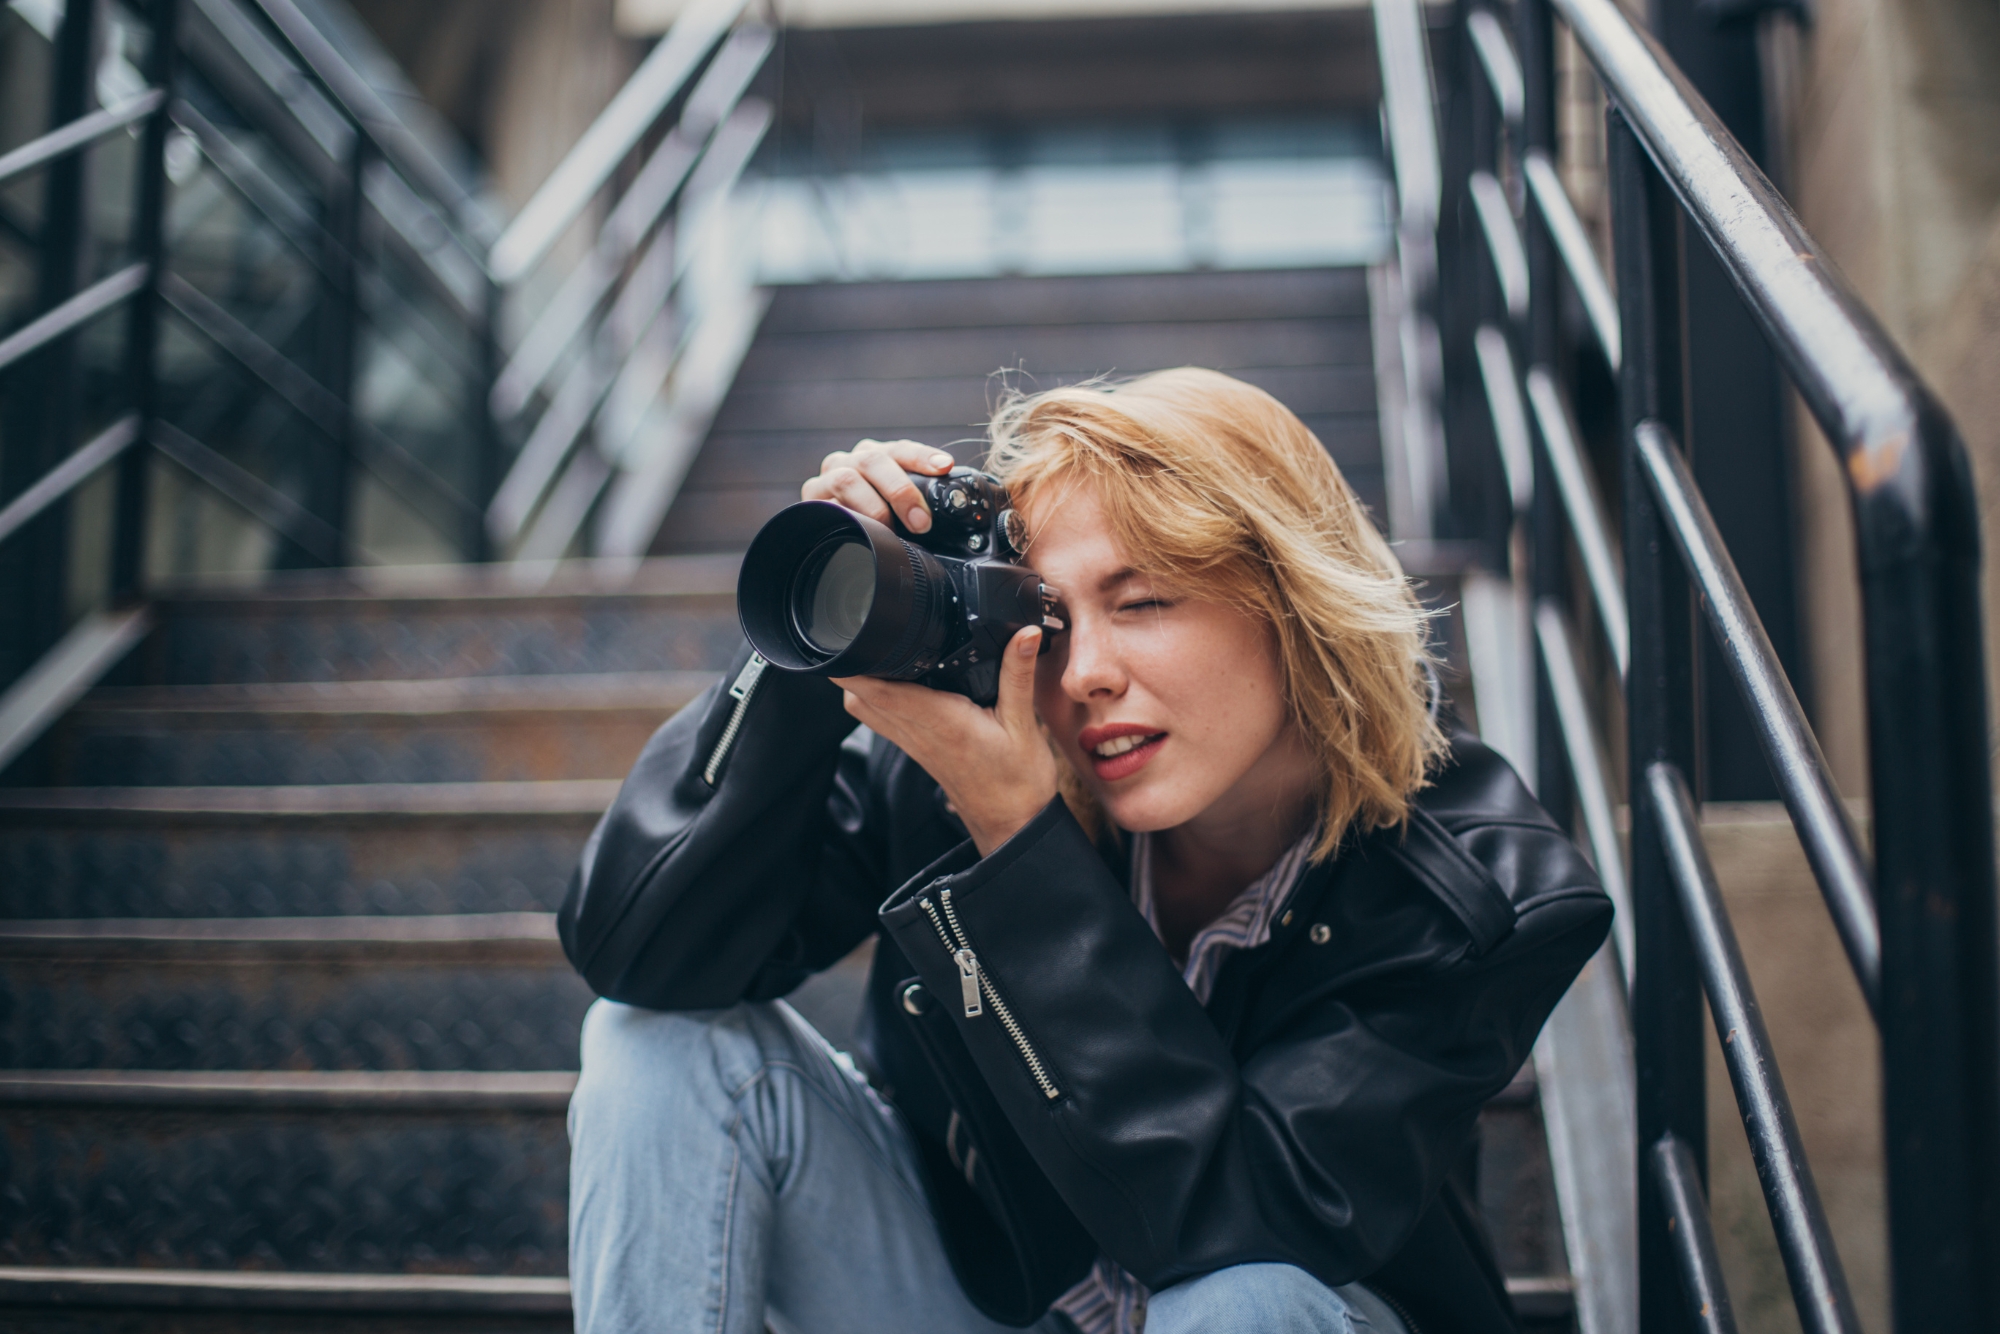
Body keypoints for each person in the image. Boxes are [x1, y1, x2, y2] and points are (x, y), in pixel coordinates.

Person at [558, 367, 1611, 1334]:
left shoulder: (1474, 889)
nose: (1085, 674)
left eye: (1143, 600)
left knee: (1243, 1302)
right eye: (1051, 621)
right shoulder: (964, 756)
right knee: (657, 1047)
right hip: (981, 1296)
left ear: (1297, 602)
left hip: (1278, 1308)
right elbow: (643, 954)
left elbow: (1247, 1214)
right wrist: (818, 629)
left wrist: (1023, 850)